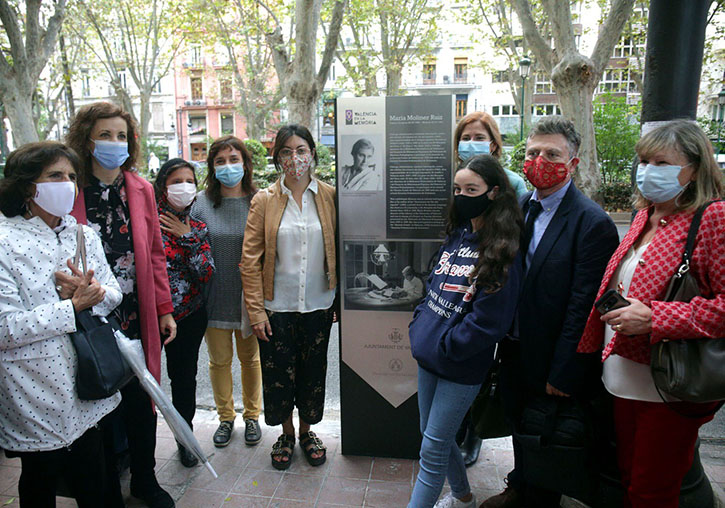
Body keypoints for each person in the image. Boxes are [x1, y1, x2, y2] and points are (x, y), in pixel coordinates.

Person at [577, 120, 724, 508]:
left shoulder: (714, 218)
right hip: (623, 373)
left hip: (668, 382)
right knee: (631, 480)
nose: (647, 170)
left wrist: (657, 318)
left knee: (651, 492)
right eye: (643, 161)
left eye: (661, 162)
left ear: (694, 168)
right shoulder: (644, 215)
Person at [481, 117, 619, 508]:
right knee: (519, 424)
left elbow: (583, 306)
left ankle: (539, 498)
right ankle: (520, 485)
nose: (540, 160)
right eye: (532, 152)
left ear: (572, 163)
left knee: (547, 433)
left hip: (553, 355)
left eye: (552, 154)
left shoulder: (592, 224)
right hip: (514, 348)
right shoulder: (521, 206)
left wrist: (565, 370)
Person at [65, 102, 177, 508]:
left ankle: (145, 481)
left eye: (121, 135)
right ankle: (106, 486)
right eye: (105, 135)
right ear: (86, 139)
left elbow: (156, 254)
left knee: (141, 401)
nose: (115, 143)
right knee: (98, 405)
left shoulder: (141, 188)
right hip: (89, 317)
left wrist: (163, 309)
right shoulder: (70, 188)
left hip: (136, 313)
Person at [0, 141, 122, 506]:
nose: (67, 184)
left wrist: (95, 293)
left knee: (95, 476)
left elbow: (114, 294)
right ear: (27, 186)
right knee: (40, 481)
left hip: (88, 381)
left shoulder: (83, 234)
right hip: (33, 389)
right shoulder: (4, 241)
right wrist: (71, 308)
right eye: (55, 175)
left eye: (71, 176)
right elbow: (4, 328)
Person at [407, 154, 522, 508]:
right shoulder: (457, 236)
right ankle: (463, 497)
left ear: (494, 192)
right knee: (435, 439)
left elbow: (490, 322)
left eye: (471, 189)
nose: (462, 195)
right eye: (457, 188)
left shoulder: (502, 250)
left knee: (432, 448)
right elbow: (433, 290)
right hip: (430, 357)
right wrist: (421, 325)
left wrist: (446, 345)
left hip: (461, 366)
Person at [241, 124, 337, 470]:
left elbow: (341, 248)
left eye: (300, 150)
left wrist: (338, 301)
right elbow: (249, 261)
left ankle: (308, 431)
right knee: (279, 376)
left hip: (319, 305)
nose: (294, 158)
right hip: (276, 307)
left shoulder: (328, 196)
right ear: (277, 157)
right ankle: (286, 433)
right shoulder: (264, 200)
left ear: (312, 153)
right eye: (286, 151)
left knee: (313, 373)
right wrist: (256, 312)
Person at [190, 136, 263, 448]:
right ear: (212, 167)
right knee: (219, 361)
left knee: (251, 359)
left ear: (245, 163)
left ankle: (252, 416)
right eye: (220, 161)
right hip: (214, 297)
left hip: (250, 300)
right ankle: (225, 418)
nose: (228, 166)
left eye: (234, 159)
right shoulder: (200, 203)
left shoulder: (260, 200)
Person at [153, 158, 215, 467]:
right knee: (143, 383)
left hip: (189, 315)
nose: (183, 187)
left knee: (184, 379)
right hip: (149, 317)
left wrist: (186, 236)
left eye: (189, 181)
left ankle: (185, 438)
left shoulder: (198, 227)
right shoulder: (144, 223)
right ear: (162, 186)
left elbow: (206, 273)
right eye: (176, 181)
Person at [455, 111, 528, 198]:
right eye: (466, 138)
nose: (471, 143)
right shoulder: (450, 179)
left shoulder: (513, 182)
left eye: (479, 138)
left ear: (493, 145)